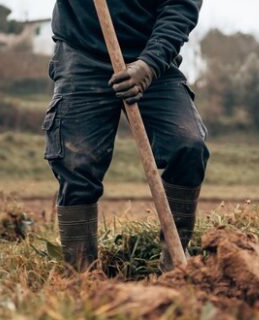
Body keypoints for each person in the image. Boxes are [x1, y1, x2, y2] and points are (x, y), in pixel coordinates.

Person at [44, 0, 209, 272]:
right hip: (82, 54)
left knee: (188, 144)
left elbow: (180, 8)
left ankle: (174, 266)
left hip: (152, 58)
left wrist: (149, 65)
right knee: (77, 163)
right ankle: (81, 275)